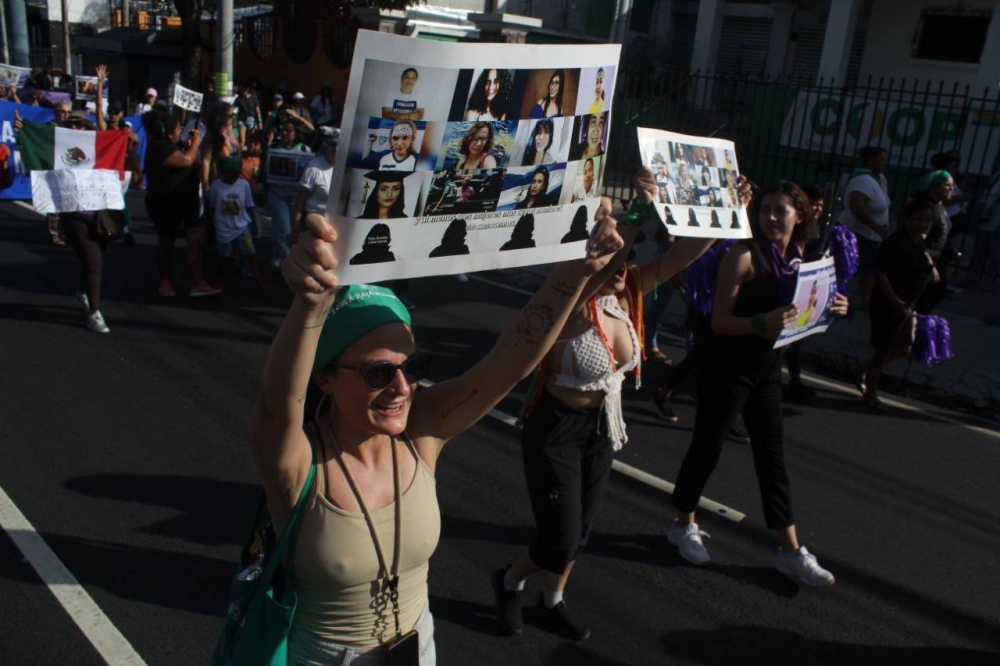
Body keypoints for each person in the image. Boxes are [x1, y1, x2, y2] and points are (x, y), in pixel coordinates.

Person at [252, 199, 621, 661]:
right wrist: (310, 303)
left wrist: (578, 270)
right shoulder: (298, 463)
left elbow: (507, 361)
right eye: (378, 373)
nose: (403, 387)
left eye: (414, 367)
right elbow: (277, 406)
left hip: (418, 648)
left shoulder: (420, 432)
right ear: (325, 377)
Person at [492, 170, 734, 640]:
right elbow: (609, 254)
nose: (625, 268)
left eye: (629, 262)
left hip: (601, 427)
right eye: (618, 259)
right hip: (556, 428)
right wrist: (639, 210)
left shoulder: (630, 293)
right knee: (560, 537)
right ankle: (509, 579)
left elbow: (686, 252)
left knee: (580, 533)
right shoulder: (573, 300)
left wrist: (723, 208)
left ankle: (552, 599)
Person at [665, 180, 848, 586]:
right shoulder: (742, 255)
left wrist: (833, 307)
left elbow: (803, 316)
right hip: (727, 368)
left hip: (767, 371)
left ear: (799, 216)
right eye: (765, 209)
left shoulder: (800, 257)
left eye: (780, 210)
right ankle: (682, 524)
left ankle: (789, 550)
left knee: (773, 460)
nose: (770, 217)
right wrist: (758, 323)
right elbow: (718, 322)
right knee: (706, 449)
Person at [859, 199, 940, 411]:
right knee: (883, 347)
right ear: (906, 219)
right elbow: (880, 274)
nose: (923, 224)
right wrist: (896, 302)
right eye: (919, 219)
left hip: (909, 304)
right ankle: (870, 393)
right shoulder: (895, 242)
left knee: (904, 347)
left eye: (928, 220)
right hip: (889, 302)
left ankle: (864, 368)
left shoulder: (919, 241)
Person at [142, 109, 219, 297]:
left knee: (193, 241)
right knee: (167, 243)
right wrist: (196, 145)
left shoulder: (173, 144)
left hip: (186, 202)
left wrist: (193, 142)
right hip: (167, 204)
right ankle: (167, 282)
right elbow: (186, 160)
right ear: (169, 132)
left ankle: (196, 283)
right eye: (178, 128)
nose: (180, 131)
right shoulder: (160, 146)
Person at [839, 146, 890, 307]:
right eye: (881, 159)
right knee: (843, 266)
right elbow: (856, 206)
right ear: (870, 161)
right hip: (855, 232)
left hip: (871, 235)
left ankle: (866, 301)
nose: (884, 163)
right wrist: (875, 226)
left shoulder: (880, 179)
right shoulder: (863, 180)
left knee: (869, 268)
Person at [209, 156, 266, 290]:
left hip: (241, 226)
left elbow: (249, 205)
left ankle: (260, 282)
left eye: (236, 175)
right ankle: (219, 282)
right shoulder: (216, 186)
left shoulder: (243, 185)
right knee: (224, 257)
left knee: (251, 254)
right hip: (223, 227)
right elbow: (212, 208)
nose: (234, 178)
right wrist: (210, 228)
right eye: (231, 175)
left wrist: (255, 225)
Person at [912, 169, 955, 307]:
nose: (951, 189)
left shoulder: (939, 206)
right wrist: (929, 264)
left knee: (935, 294)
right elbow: (918, 238)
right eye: (947, 185)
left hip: (937, 259)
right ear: (935, 187)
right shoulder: (927, 208)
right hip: (923, 262)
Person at [293, 135, 338, 233]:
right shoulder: (314, 167)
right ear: (327, 148)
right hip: (313, 221)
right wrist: (295, 228)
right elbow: (300, 199)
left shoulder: (345, 167)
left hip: (335, 223)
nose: (336, 151)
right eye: (334, 148)